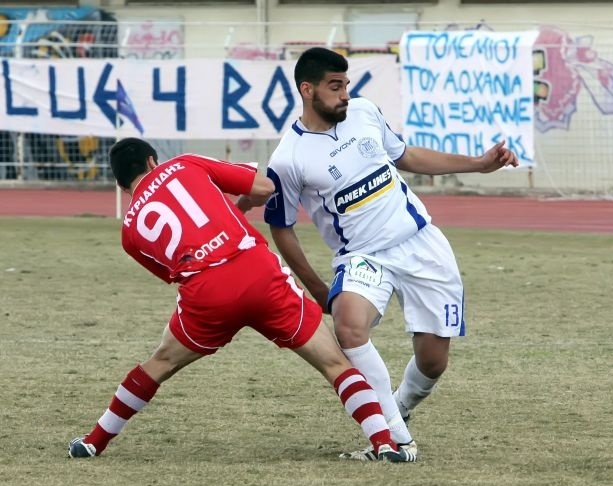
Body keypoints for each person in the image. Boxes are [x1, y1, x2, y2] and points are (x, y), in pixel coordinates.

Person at [67, 137, 414, 463]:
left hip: (206, 292)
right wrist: (237, 208)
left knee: (159, 364)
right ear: (152, 160)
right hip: (256, 269)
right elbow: (265, 188)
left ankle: (94, 441)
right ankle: (383, 442)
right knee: (334, 362)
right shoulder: (186, 163)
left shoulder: (129, 231)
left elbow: (173, 272)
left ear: (120, 186)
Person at [256, 47, 519, 460]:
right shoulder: (288, 158)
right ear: (307, 90)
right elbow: (281, 226)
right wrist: (318, 289)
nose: (345, 94)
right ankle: (394, 438)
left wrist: (478, 165)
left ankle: (399, 409)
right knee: (349, 327)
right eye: (335, 86)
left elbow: (407, 155)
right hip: (362, 256)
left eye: (346, 85)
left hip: (419, 241)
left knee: (433, 362)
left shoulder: (363, 112)